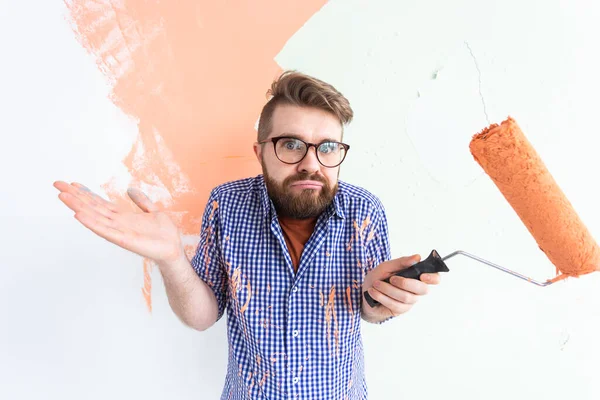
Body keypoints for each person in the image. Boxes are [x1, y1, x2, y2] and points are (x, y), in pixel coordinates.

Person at [53, 70, 441, 399]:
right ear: (259, 153)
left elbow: (369, 313)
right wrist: (170, 258)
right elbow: (203, 316)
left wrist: (378, 299)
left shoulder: (366, 211)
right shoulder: (227, 205)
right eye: (291, 144)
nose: (311, 164)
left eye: (327, 147)